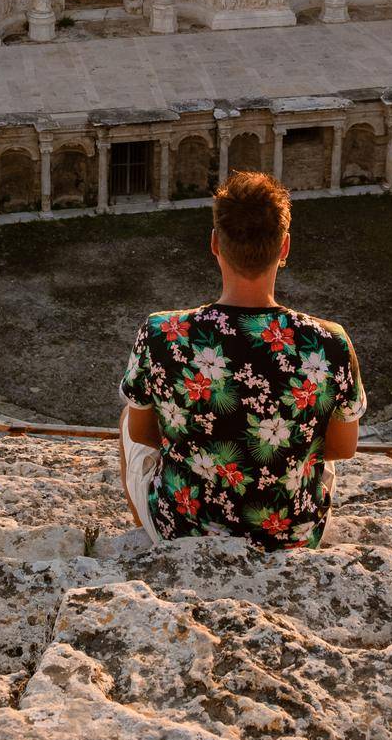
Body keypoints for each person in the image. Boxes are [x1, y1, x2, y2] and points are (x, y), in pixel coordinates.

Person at [118, 169, 365, 551]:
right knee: (317, 442)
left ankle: (153, 534)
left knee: (129, 414)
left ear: (215, 244)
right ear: (284, 247)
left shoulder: (161, 333)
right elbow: (343, 448)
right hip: (290, 536)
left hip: (185, 531)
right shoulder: (329, 341)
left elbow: (143, 434)